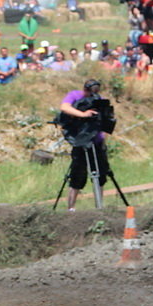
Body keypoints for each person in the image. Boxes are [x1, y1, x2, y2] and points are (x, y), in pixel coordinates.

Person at [59, 78, 111, 211]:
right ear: (85, 89)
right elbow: (64, 107)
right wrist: (83, 114)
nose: (93, 94)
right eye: (91, 91)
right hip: (81, 141)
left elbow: (106, 118)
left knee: (100, 174)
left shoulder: (99, 99)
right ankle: (71, 208)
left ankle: (99, 207)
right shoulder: (75, 95)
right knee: (77, 175)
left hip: (97, 141)